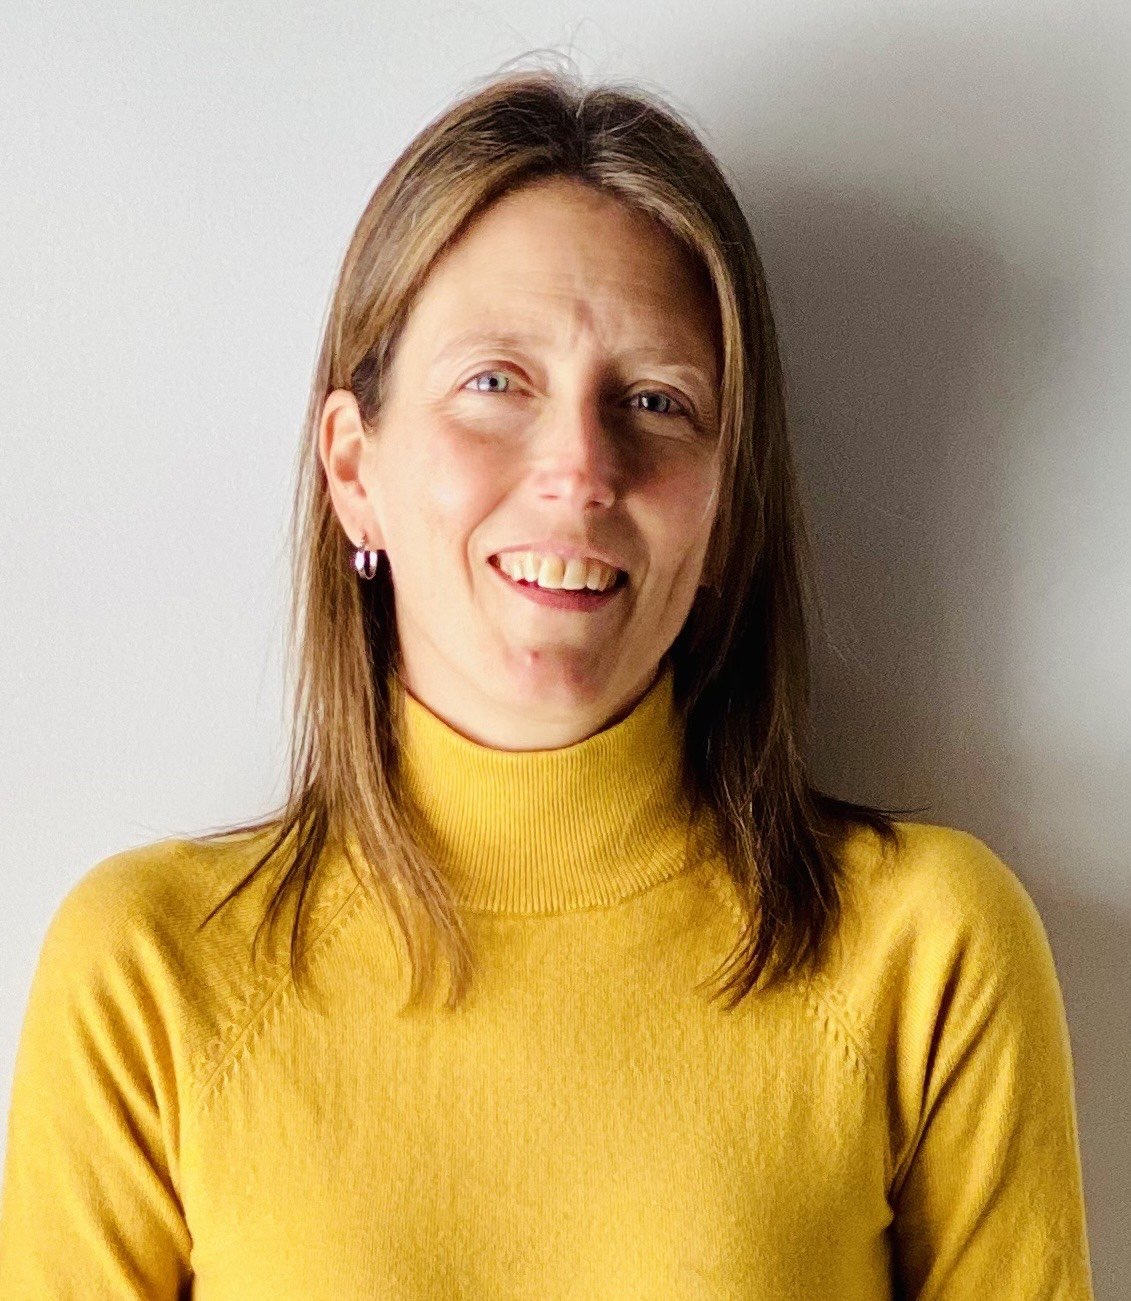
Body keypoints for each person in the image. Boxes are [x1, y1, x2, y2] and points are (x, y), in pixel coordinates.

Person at [0, 65, 1093, 1298]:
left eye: (654, 400)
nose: (580, 468)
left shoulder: (927, 952)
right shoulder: (147, 976)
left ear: (725, 504)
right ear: (354, 468)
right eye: (495, 383)